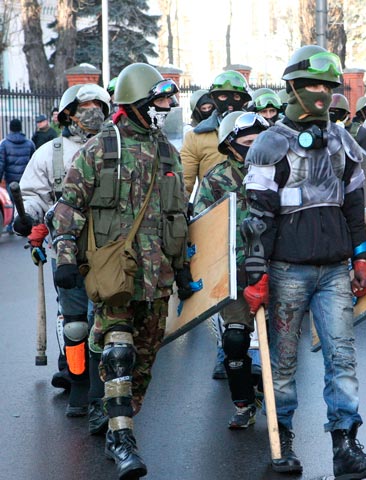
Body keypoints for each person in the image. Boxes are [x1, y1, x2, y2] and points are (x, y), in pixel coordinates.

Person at [242, 44, 366, 479]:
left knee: (342, 359)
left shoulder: (343, 141)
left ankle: (346, 447)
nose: (322, 93)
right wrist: (256, 274)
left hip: (334, 272)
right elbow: (257, 217)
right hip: (286, 270)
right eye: (312, 84)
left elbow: (355, 206)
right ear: (292, 86)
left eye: (328, 85)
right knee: (283, 362)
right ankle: (282, 439)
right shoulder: (270, 144)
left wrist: (361, 258)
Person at [51, 63, 193, 479]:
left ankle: (116, 414)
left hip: (157, 279)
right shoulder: (100, 149)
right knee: (119, 354)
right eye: (160, 101)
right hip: (114, 274)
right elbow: (69, 206)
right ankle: (122, 440)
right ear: (139, 103)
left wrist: (182, 269)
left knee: (142, 365)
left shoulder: (168, 152)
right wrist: (65, 257)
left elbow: (178, 215)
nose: (167, 108)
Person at [14, 84, 111, 430]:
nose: (92, 112)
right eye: (84, 106)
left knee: (106, 320)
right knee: (75, 323)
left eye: (97, 105)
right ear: (69, 113)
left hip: (110, 250)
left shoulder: (116, 147)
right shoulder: (50, 153)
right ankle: (79, 383)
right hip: (65, 250)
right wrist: (27, 216)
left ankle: (102, 390)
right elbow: (34, 195)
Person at [192, 111, 269, 428]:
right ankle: (244, 402)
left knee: (281, 344)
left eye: (260, 141)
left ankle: (276, 402)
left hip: (276, 271)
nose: (255, 148)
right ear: (231, 144)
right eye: (249, 142)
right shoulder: (217, 178)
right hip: (235, 274)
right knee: (235, 341)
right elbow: (201, 225)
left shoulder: (280, 172)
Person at [181, 70, 251, 198]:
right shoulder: (195, 137)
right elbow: (185, 183)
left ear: (244, 101)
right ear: (213, 98)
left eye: (236, 97)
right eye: (223, 97)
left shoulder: (259, 132)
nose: (230, 103)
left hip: (253, 205)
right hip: (213, 205)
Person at [329, 93, 366, 158]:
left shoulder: (361, 133)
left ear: (346, 113)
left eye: (338, 111)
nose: (333, 114)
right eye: (330, 111)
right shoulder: (322, 131)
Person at [0, 119, 36, 186]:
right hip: (26, 178)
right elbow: (34, 163)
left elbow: (1, 163)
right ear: (20, 128)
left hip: (10, 180)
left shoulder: (4, 144)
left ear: (10, 128)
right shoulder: (30, 144)